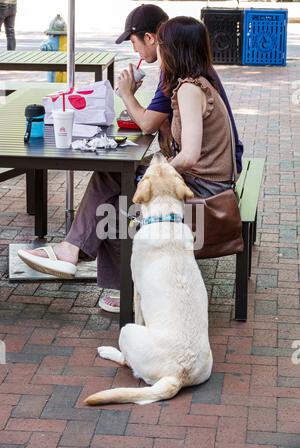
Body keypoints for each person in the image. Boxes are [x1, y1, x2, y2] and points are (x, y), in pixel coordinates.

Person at [18, 5, 243, 314]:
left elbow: (189, 155)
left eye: (162, 44)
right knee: (112, 178)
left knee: (116, 197)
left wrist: (154, 171)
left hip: (206, 195)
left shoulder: (191, 89)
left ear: (174, 48)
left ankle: (101, 273)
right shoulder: (192, 83)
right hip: (206, 182)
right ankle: (80, 257)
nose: (158, 49)